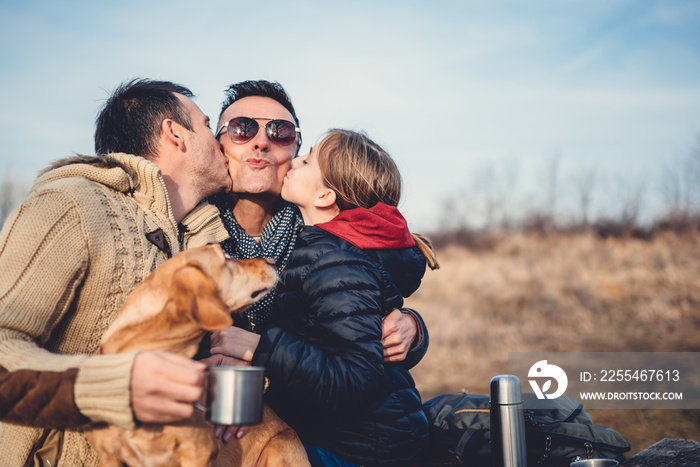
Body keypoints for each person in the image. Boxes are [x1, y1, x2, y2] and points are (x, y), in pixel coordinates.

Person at [0, 79, 231, 466]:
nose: (220, 141)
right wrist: (118, 384)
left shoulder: (195, 241)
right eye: (208, 125)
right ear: (175, 133)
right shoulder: (72, 203)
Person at [201, 80, 430, 443]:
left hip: (323, 428)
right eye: (242, 129)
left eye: (280, 131)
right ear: (218, 144)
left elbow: (363, 311)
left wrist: (412, 330)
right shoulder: (186, 228)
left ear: (293, 150)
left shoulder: (328, 232)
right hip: (219, 420)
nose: (261, 141)